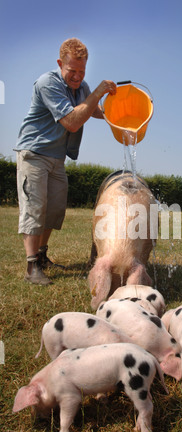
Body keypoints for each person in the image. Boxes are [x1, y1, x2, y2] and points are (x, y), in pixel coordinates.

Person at [15, 38, 116, 285]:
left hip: (57, 157)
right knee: (35, 208)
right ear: (61, 63)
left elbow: (94, 110)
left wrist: (120, 116)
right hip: (34, 154)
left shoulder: (82, 88)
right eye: (72, 71)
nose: (77, 76)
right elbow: (72, 121)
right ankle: (31, 268)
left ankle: (41, 256)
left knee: (54, 210)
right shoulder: (47, 83)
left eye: (82, 71)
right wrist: (98, 92)